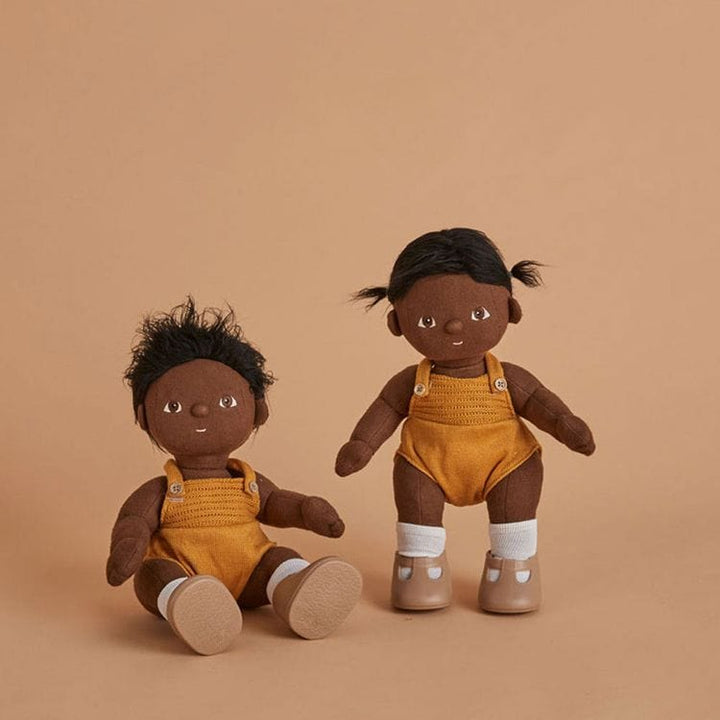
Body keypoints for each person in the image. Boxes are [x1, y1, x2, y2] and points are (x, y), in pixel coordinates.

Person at [336, 228, 594, 613]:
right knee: (416, 506)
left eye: (478, 314)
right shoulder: (410, 382)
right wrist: (361, 445)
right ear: (397, 323)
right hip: (425, 463)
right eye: (427, 319)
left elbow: (541, 404)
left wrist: (566, 425)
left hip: (506, 462)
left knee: (515, 508)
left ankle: (514, 571)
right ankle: (419, 570)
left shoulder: (509, 378)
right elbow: (386, 409)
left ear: (511, 310)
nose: (455, 327)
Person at [107, 298, 361, 654]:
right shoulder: (163, 490)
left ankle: (297, 591)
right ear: (145, 418)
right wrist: (128, 546)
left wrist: (306, 510)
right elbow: (135, 519)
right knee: (155, 575)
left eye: (226, 402)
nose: (200, 410)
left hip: (250, 568)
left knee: (279, 559)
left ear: (258, 411)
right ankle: (187, 603)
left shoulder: (248, 481)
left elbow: (275, 503)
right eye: (174, 406)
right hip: (182, 567)